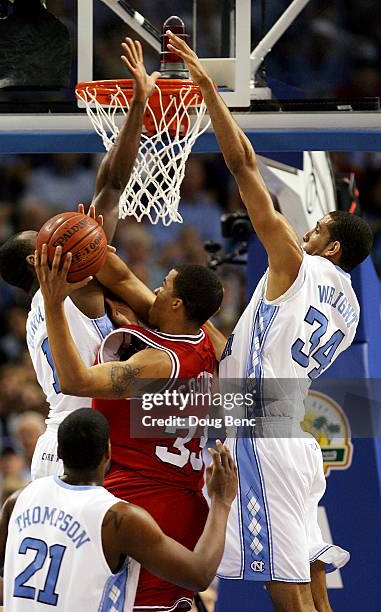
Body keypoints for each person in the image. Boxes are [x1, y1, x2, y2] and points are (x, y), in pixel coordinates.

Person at [165, 31, 374, 612]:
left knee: (289, 596)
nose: (304, 232)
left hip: (263, 428)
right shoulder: (350, 303)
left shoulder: (296, 264)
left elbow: (243, 165)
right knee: (313, 590)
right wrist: (209, 338)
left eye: (316, 229)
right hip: (294, 428)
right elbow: (264, 349)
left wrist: (208, 89)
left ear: (330, 249)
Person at [0, 37, 160, 480]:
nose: (56, 232)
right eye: (43, 237)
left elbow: (108, 185)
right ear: (36, 262)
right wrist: (139, 105)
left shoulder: (48, 303)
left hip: (61, 441)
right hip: (84, 444)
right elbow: (112, 185)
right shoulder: (71, 288)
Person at [34, 246, 223, 611]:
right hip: (182, 499)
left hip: (145, 502)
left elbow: (75, 381)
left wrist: (54, 303)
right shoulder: (201, 341)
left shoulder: (158, 364)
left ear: (177, 305)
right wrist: (89, 241)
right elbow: (121, 277)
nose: (155, 289)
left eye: (164, 286)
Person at [0, 409, 238, 611]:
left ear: (60, 454)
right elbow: (200, 574)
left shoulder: (20, 499)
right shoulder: (118, 518)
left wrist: (30, 596)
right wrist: (222, 502)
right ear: (108, 453)